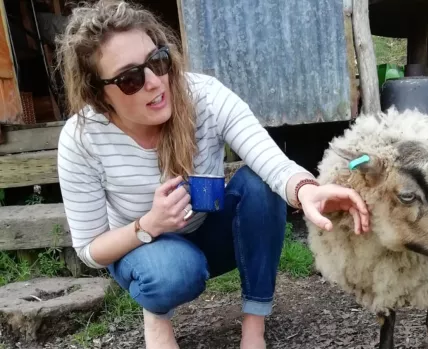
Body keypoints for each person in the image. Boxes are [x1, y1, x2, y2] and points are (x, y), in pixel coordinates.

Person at [53, 1, 370, 348]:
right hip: (143, 247)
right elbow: (89, 249)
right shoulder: (82, 139)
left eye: (159, 61)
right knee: (171, 273)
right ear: (99, 96)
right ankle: (156, 313)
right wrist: (150, 225)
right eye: (130, 78)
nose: (155, 83)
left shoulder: (205, 96)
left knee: (260, 184)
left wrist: (307, 189)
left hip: (207, 231)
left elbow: (271, 162)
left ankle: (253, 328)